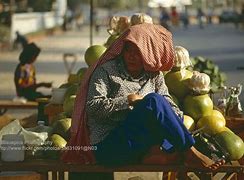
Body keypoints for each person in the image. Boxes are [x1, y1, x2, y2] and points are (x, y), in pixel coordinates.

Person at [62, 23, 225, 170]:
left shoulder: (154, 75)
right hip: (109, 147)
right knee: (153, 101)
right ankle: (190, 152)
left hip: (138, 142)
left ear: (148, 53)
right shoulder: (106, 71)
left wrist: (172, 117)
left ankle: (169, 152)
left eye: (137, 52)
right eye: (128, 50)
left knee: (163, 111)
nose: (131, 56)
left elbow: (168, 104)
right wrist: (127, 101)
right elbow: (92, 107)